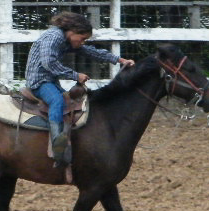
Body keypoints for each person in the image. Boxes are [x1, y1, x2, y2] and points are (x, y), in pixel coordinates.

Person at [25, 11, 135, 165]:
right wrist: (75, 76)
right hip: (39, 82)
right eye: (82, 38)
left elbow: (90, 51)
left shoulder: (65, 40)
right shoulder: (53, 37)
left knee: (70, 103)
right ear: (72, 31)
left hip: (50, 81)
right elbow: (48, 63)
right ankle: (58, 146)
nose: (83, 42)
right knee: (57, 101)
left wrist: (119, 60)